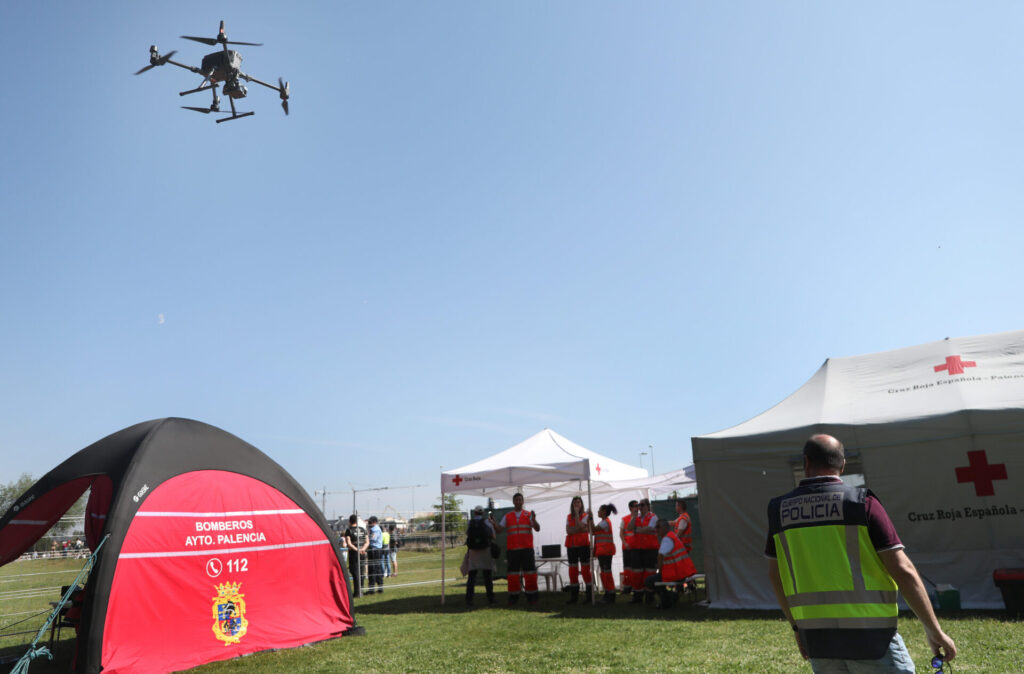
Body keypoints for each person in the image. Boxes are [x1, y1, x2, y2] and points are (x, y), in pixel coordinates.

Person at [766, 434, 957, 672]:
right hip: (872, 638)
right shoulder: (861, 503)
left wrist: (797, 628)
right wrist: (934, 630)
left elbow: (776, 576)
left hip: (819, 640)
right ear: (842, 465)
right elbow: (903, 570)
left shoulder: (779, 510)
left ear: (805, 462)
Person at [490, 492, 541, 605]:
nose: (518, 502)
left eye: (520, 500)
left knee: (530, 574)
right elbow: (499, 530)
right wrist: (494, 523)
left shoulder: (528, 515)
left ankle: (532, 597)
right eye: (516, 500)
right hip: (513, 550)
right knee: (513, 575)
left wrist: (535, 519)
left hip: (527, 549)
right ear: (513, 502)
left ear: (523, 502)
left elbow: (537, 528)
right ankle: (513, 597)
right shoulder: (507, 516)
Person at [644, 519, 697, 609]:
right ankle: (667, 598)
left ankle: (669, 597)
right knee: (654, 579)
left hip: (676, 574)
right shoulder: (673, 536)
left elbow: (660, 556)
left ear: (665, 527)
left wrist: (660, 570)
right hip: (682, 572)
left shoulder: (667, 539)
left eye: (658, 527)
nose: (656, 529)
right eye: (655, 527)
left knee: (649, 581)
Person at [628, 498, 659, 604]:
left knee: (649, 573)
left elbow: (650, 528)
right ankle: (637, 597)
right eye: (638, 505)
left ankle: (650, 596)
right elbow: (629, 527)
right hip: (637, 549)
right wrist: (634, 517)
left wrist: (637, 530)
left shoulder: (653, 517)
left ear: (647, 506)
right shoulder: (636, 517)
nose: (639, 507)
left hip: (650, 550)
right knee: (636, 573)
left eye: (641, 505)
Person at [564, 496, 594, 604]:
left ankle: (589, 596)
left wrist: (577, 516)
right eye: (575, 502)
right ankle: (574, 597)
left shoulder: (585, 516)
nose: (577, 504)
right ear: (572, 504)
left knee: (585, 570)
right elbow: (568, 531)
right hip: (571, 546)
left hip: (583, 546)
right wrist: (579, 529)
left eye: (578, 502)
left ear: (581, 504)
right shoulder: (568, 516)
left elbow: (581, 526)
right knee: (572, 571)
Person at [464, 505, 496, 606]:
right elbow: (493, 536)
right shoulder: (487, 522)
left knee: (472, 577)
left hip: (473, 551)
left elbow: (467, 534)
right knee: (487, 576)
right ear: (483, 513)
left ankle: (469, 599)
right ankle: (490, 598)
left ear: (475, 512)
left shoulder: (470, 522)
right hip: (485, 550)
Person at [592, 503, 618, 603]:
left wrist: (590, 519)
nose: (598, 511)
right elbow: (593, 531)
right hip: (603, 551)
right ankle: (608, 593)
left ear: (604, 512)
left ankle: (610, 594)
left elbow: (594, 529)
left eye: (599, 510)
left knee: (606, 572)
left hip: (606, 551)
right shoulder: (602, 522)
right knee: (604, 572)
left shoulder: (605, 522)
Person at [343, 515, 368, 597]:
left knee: (355, 572)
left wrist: (357, 550)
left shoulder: (349, 530)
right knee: (361, 572)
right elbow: (367, 541)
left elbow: (349, 543)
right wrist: (362, 549)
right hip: (363, 553)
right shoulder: (363, 529)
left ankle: (357, 592)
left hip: (354, 554)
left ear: (350, 521)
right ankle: (361, 590)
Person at [619, 500, 638, 597]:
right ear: (630, 508)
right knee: (627, 568)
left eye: (637, 506)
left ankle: (635, 587)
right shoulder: (625, 519)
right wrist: (625, 543)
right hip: (626, 547)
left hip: (636, 548)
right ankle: (627, 587)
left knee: (635, 568)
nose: (637, 507)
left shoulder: (640, 518)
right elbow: (621, 533)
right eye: (635, 506)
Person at [366, 516, 384, 594]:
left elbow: (372, 539)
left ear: (374, 522)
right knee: (377, 568)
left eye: (370, 522)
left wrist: (367, 538)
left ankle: (372, 589)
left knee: (372, 569)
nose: (369, 523)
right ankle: (380, 587)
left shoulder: (374, 530)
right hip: (377, 550)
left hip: (374, 550)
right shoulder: (375, 528)